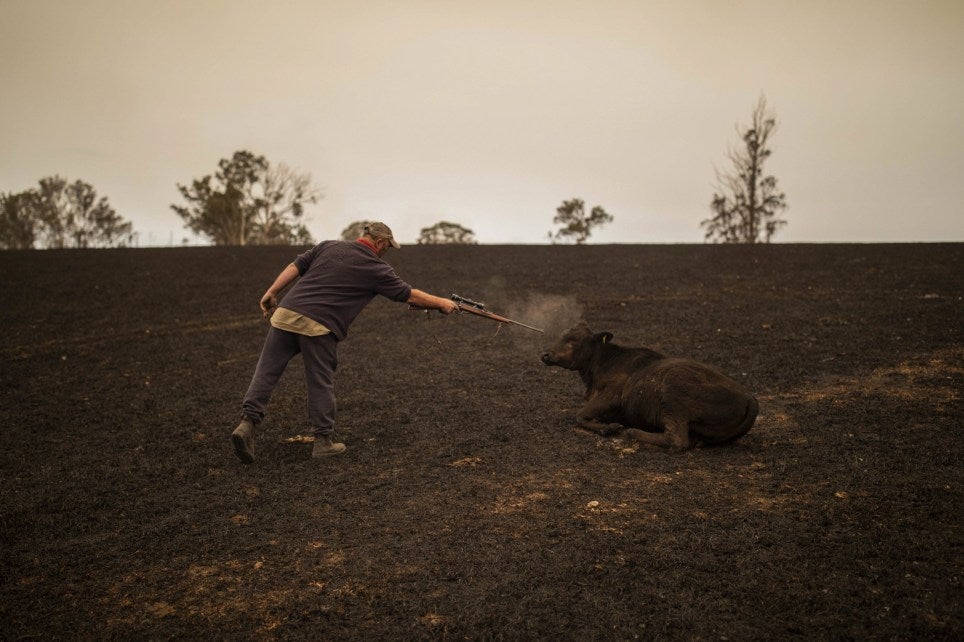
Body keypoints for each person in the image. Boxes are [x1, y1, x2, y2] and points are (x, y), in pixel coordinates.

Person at [231, 222, 458, 463]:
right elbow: (408, 294)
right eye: (387, 247)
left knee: (266, 371)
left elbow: (295, 266)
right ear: (380, 243)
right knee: (320, 381)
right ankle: (323, 442)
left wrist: (272, 291)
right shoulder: (375, 267)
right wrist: (442, 303)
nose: (386, 252)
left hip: (285, 314)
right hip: (319, 325)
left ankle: (246, 425)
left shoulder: (328, 246)